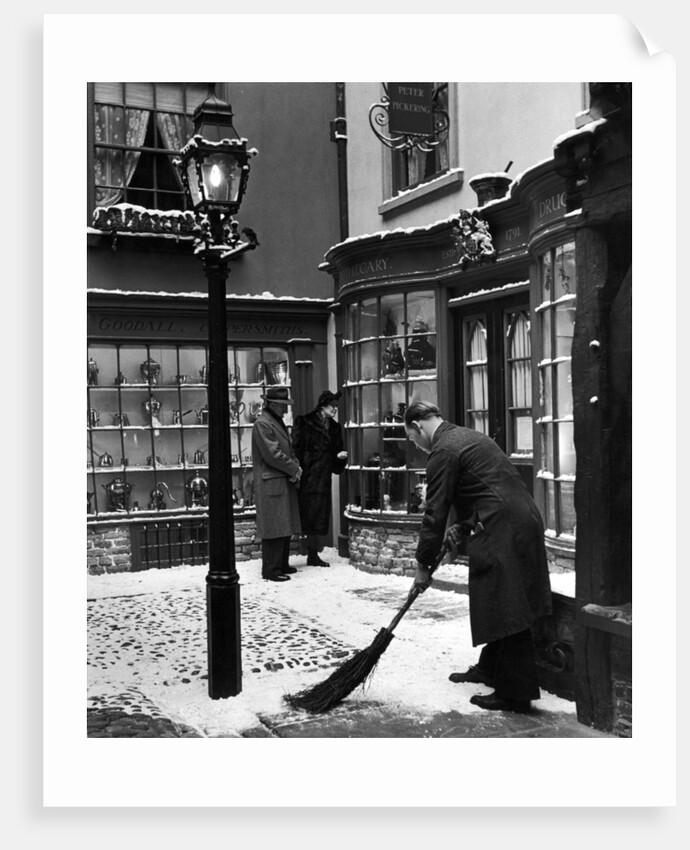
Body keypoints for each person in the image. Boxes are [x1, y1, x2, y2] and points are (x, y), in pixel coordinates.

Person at [404, 401, 552, 713]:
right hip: (519, 518)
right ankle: (490, 668)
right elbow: (487, 487)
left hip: (505, 525)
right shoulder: (468, 436)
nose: (415, 445)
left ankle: (515, 694)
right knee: (495, 595)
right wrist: (465, 523)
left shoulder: (443, 451)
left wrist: (422, 565)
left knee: (507, 600)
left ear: (418, 426)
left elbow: (434, 512)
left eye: (412, 439)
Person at [251, 386, 303, 582]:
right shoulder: (263, 424)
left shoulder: (273, 421)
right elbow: (273, 455)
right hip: (273, 482)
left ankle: (280, 564)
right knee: (274, 527)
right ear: (272, 404)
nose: (286, 410)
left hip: (280, 480)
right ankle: (271, 570)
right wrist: (294, 469)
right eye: (283, 406)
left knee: (283, 525)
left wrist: (294, 466)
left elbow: (285, 451)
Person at [292, 390, 347, 567]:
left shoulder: (335, 427)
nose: (335, 410)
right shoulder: (304, 421)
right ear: (323, 405)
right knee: (306, 515)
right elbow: (295, 449)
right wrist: (298, 471)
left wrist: (339, 459)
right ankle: (308, 552)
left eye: (337, 407)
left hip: (323, 477)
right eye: (333, 406)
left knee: (319, 515)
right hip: (306, 475)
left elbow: (336, 452)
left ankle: (313, 554)